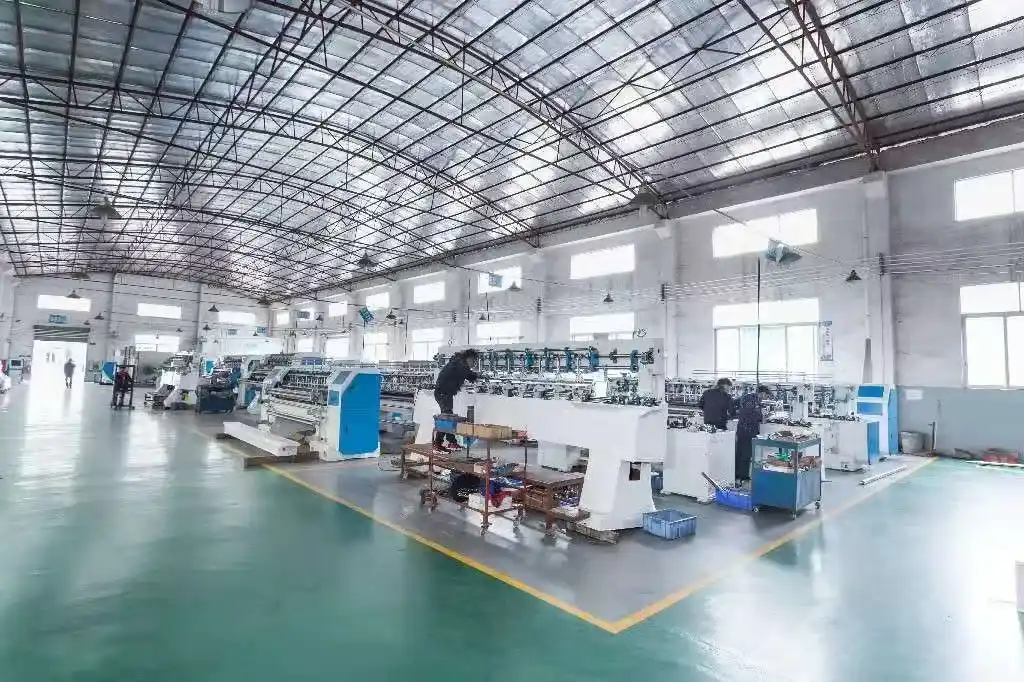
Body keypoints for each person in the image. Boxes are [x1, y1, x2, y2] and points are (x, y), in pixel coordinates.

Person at [432, 349, 479, 452]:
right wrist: (478, 375)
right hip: (443, 393)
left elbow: (467, 375)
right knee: (446, 419)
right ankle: (438, 444)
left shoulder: (458, 362)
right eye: (473, 361)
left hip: (445, 393)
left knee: (448, 417)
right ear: (469, 358)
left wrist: (475, 376)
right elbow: (469, 375)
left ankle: (451, 442)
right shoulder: (460, 364)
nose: (473, 364)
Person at [734, 385, 771, 486]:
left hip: (742, 429)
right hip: (748, 431)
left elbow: (736, 405)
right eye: (766, 395)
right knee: (746, 454)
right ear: (762, 393)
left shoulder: (748, 397)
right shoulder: (753, 401)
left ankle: (737, 475)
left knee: (740, 453)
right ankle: (742, 477)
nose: (766, 398)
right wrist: (762, 417)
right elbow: (751, 414)